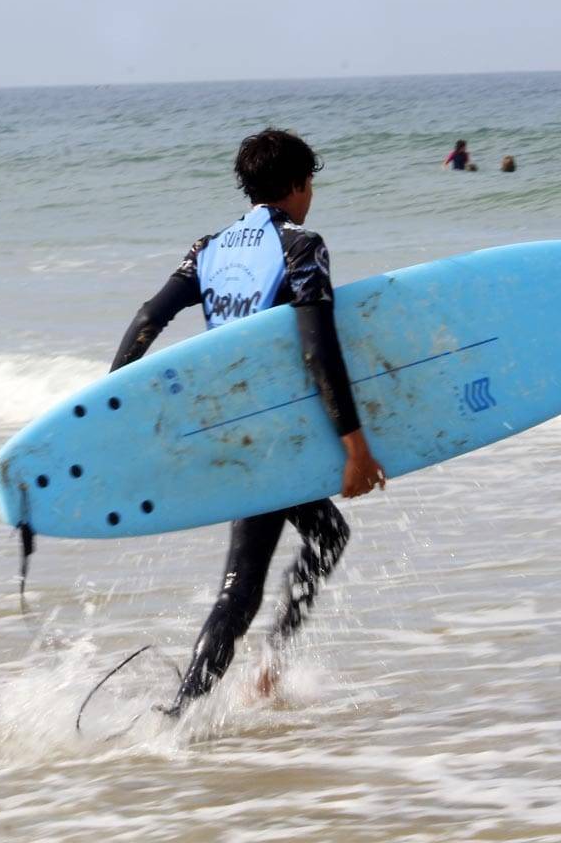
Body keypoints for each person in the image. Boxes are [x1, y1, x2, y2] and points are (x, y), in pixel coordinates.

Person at [109, 128, 386, 717]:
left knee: (323, 537)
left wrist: (115, 404)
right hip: (272, 437)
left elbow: (147, 318)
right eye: (310, 183)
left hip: (230, 429)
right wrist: (355, 446)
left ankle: (259, 675)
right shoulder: (300, 245)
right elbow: (319, 350)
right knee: (243, 587)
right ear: (297, 184)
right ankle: (184, 713)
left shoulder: (208, 248)